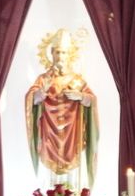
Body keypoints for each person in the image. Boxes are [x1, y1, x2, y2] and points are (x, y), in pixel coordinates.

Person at [25, 28, 98, 187]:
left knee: (72, 180)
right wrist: (39, 95)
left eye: (64, 53)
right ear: (51, 54)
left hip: (72, 135)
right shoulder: (44, 79)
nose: (60, 56)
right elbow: (31, 97)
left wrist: (81, 97)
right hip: (49, 135)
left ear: (69, 55)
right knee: (49, 180)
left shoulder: (77, 80)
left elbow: (91, 99)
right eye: (57, 52)